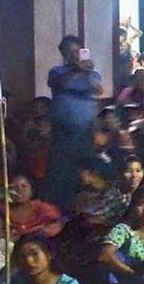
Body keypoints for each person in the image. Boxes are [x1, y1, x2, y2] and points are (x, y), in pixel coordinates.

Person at [44, 35, 103, 209]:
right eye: (69, 52)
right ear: (64, 55)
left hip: (85, 132)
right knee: (61, 172)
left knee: (83, 170)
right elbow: (58, 84)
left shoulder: (93, 73)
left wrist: (86, 72)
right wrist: (75, 70)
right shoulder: (57, 72)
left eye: (77, 51)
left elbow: (98, 90)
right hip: (62, 131)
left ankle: (82, 209)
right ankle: (59, 209)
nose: (74, 55)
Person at [4, 174, 63, 241]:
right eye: (13, 187)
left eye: (24, 186)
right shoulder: (3, 212)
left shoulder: (44, 209)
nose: (19, 190)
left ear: (31, 190)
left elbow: (56, 226)